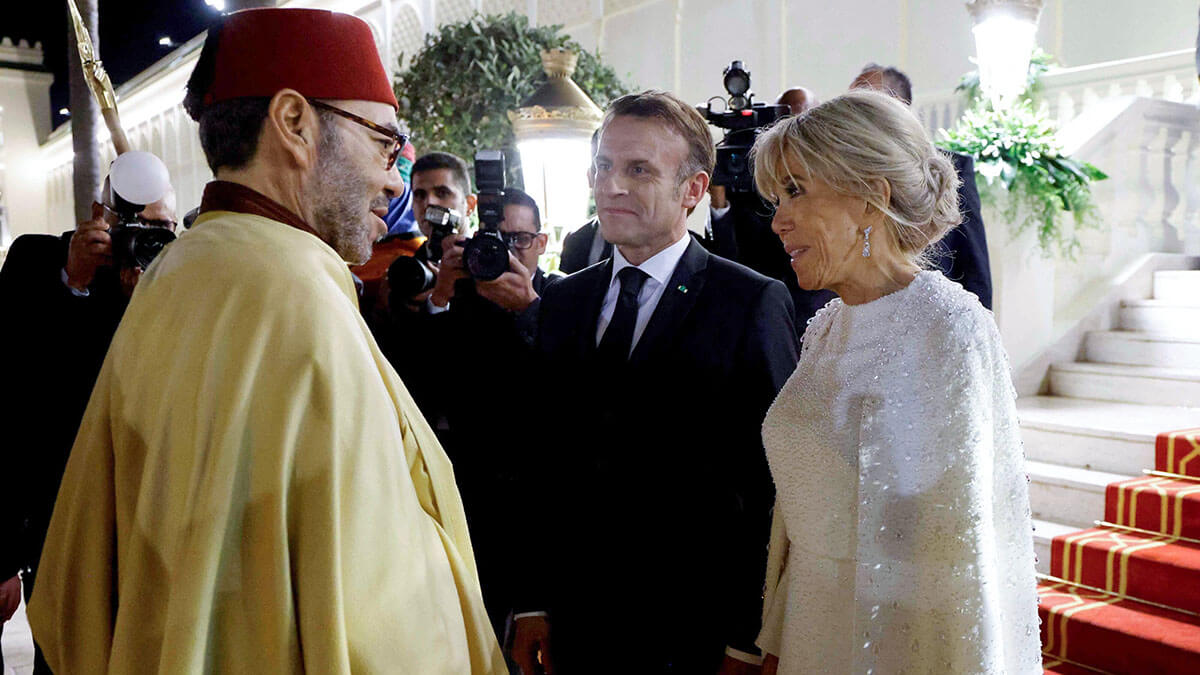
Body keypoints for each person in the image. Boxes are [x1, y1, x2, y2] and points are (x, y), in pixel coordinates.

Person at [26, 8, 505, 673]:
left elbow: (73, 586)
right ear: (294, 122)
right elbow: (381, 616)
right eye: (384, 143)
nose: (395, 178)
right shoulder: (292, 294)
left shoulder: (185, 267)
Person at [750, 89, 1040, 674]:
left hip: (893, 647)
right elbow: (797, 518)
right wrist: (775, 642)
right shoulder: (827, 326)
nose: (778, 220)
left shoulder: (952, 329)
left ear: (869, 198)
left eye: (797, 192)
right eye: (777, 198)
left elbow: (966, 559)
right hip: (811, 631)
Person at [511, 90, 800, 675]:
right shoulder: (564, 300)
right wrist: (533, 602)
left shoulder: (749, 302)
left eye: (639, 170)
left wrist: (746, 639)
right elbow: (540, 461)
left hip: (692, 632)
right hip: (576, 625)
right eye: (604, 166)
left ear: (693, 191)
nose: (612, 185)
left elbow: (772, 484)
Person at [0, 192, 176, 674]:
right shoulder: (44, 260)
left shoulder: (179, 280)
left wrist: (147, 308)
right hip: (62, 518)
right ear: (107, 218)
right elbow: (22, 400)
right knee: (59, 656)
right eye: (138, 226)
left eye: (162, 229)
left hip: (149, 525)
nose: (149, 240)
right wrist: (76, 283)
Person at [433, 187, 561, 640]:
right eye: (497, 240)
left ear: (542, 243)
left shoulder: (564, 298)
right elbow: (422, 382)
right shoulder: (461, 302)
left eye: (520, 240)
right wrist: (441, 294)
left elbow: (571, 384)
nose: (507, 253)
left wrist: (529, 309)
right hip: (472, 493)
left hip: (545, 495)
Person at [851, 62, 993, 308]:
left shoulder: (951, 167)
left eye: (864, 101)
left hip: (935, 314)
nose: (852, 113)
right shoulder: (846, 173)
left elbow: (974, 267)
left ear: (899, 106)